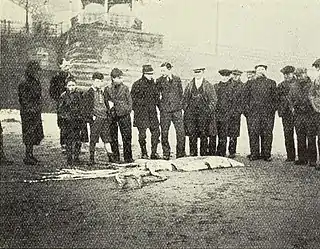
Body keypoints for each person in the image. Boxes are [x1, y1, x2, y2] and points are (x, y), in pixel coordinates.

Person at [243, 64, 277, 161]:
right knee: (253, 133)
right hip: (253, 114)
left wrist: (272, 110)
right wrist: (247, 112)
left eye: (262, 69)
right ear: (256, 72)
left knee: (267, 133)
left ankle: (266, 154)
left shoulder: (271, 83)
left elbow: (276, 99)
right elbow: (245, 99)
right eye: (258, 70)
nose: (261, 71)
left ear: (266, 71)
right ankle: (254, 153)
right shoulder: (250, 84)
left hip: (267, 114)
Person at [183, 67, 217, 156]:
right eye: (195, 72)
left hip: (204, 115)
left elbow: (213, 100)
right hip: (191, 115)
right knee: (192, 134)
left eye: (199, 72)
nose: (197, 74)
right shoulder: (189, 85)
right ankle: (193, 153)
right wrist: (186, 108)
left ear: (203, 72)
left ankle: (203, 154)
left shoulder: (208, 85)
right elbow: (184, 99)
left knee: (203, 134)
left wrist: (208, 110)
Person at [288, 68, 317, 167]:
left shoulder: (312, 84)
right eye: (297, 75)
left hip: (309, 114)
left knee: (311, 137)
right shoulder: (293, 86)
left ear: (305, 74)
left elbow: (314, 98)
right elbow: (290, 99)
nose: (299, 77)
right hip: (298, 115)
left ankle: (312, 160)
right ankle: (302, 158)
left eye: (301, 75)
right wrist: (292, 107)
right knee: (300, 137)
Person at [156, 62, 185, 160]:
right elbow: (156, 96)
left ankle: (180, 154)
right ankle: (166, 153)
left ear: (169, 70)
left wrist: (179, 106)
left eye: (164, 70)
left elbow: (181, 94)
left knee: (181, 132)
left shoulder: (177, 79)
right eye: (161, 71)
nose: (162, 72)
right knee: (164, 133)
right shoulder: (159, 80)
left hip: (177, 111)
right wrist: (162, 107)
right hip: (165, 112)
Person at [131, 65, 161, 159]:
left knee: (156, 132)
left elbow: (157, 98)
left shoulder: (154, 84)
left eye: (152, 74)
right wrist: (138, 109)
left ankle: (154, 153)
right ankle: (144, 152)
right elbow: (132, 100)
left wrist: (161, 108)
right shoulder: (137, 84)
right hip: (141, 114)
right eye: (149, 74)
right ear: (144, 74)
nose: (151, 76)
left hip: (152, 113)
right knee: (142, 135)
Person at [18, 61, 44, 165]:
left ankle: (30, 154)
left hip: (35, 110)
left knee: (34, 133)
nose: (37, 73)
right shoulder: (24, 82)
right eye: (36, 70)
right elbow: (23, 99)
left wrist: (37, 107)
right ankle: (27, 156)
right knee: (28, 133)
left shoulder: (35, 80)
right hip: (28, 112)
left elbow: (38, 94)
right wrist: (30, 109)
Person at [83, 72, 113, 165]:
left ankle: (110, 156)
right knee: (93, 138)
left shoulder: (102, 92)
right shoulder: (89, 93)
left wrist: (108, 113)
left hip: (104, 117)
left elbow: (106, 103)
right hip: (96, 118)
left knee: (106, 137)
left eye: (100, 81)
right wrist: (92, 116)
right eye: (97, 81)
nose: (98, 83)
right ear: (93, 81)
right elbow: (86, 107)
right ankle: (91, 158)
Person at [213, 69, 243, 158]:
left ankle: (232, 152)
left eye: (226, 76)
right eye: (223, 76)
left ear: (229, 76)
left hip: (233, 114)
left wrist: (236, 112)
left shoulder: (234, 87)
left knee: (233, 134)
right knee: (222, 134)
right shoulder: (216, 87)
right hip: (220, 115)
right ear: (220, 76)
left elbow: (239, 100)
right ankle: (221, 152)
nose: (225, 78)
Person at [106, 68, 133, 163]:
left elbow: (130, 103)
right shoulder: (107, 89)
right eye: (119, 78)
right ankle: (115, 157)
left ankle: (128, 158)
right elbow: (107, 103)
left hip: (124, 115)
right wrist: (112, 111)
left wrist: (125, 110)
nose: (122, 80)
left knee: (127, 137)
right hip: (113, 116)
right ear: (113, 78)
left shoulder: (125, 88)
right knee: (113, 137)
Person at [58, 77, 86, 165]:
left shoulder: (79, 94)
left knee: (78, 140)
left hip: (77, 120)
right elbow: (60, 109)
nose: (71, 87)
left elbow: (82, 107)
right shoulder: (63, 96)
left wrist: (81, 117)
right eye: (69, 85)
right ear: (66, 86)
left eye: (73, 85)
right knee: (68, 140)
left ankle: (77, 157)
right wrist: (64, 118)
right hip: (67, 121)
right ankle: (69, 158)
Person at [49, 58, 72, 151]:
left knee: (71, 123)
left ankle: (70, 144)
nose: (68, 68)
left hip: (72, 104)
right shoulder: (56, 78)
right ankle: (63, 144)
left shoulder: (71, 77)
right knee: (63, 124)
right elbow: (52, 91)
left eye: (69, 66)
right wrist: (59, 99)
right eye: (66, 66)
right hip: (62, 105)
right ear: (60, 66)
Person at [277, 65, 296, 162]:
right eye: (284, 74)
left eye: (288, 74)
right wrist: (281, 110)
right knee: (288, 134)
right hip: (286, 113)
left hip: (297, 113)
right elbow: (277, 100)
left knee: (301, 135)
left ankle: (303, 157)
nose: (286, 76)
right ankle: (290, 156)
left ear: (293, 73)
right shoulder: (280, 85)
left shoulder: (297, 84)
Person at [309, 59, 320, 170]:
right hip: (318, 112)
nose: (317, 69)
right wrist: (315, 106)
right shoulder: (316, 80)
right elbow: (311, 95)